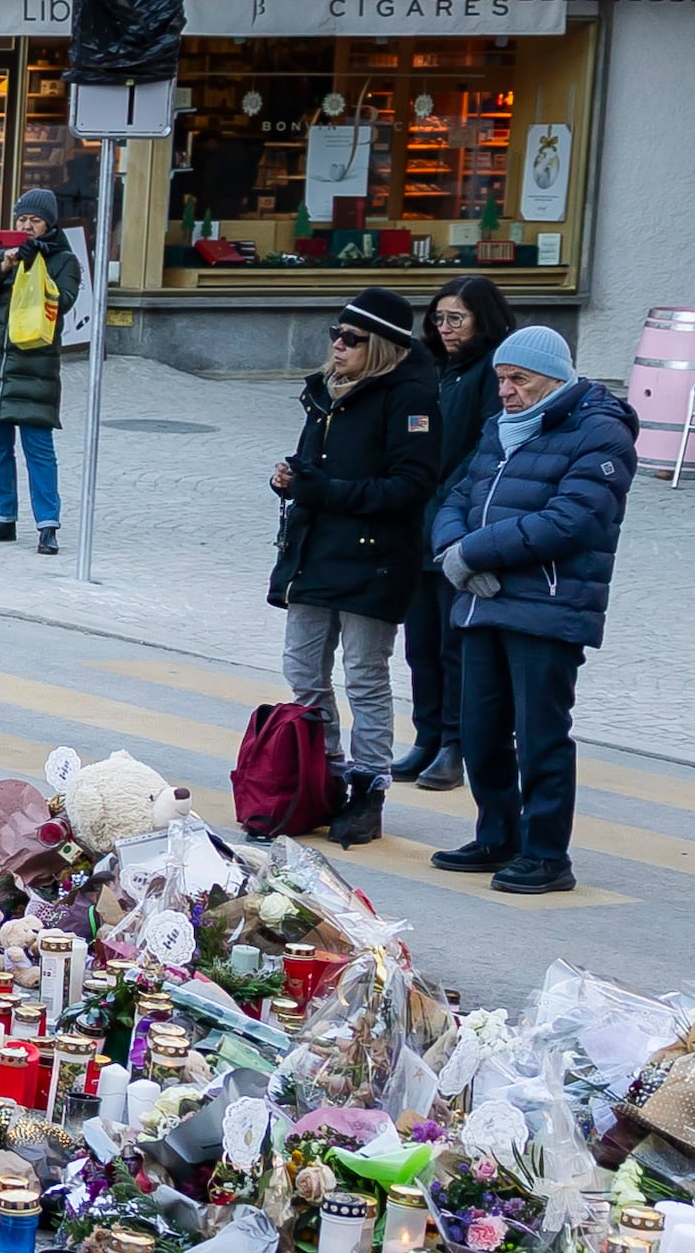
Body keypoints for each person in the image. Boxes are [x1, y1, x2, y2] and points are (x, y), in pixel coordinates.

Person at [423, 326, 631, 896]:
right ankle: (497, 835)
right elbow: (458, 497)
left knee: (540, 732)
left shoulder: (601, 433)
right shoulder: (500, 429)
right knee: (480, 729)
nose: (506, 392)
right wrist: (453, 551)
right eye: (501, 379)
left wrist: (475, 551)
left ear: (556, 380)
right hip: (483, 598)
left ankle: (546, 854)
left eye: (520, 380)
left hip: (549, 605)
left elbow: (574, 520)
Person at [267, 288, 439, 845]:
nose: (338, 346)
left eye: (352, 339)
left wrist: (323, 489)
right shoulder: (325, 392)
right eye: (334, 335)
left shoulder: (410, 398)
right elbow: (316, 469)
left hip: (375, 558)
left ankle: (369, 787)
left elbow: (410, 487)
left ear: (383, 347)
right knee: (303, 673)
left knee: (365, 677)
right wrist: (290, 480)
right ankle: (328, 774)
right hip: (315, 551)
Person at [395, 274, 514, 788]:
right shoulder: (432, 369)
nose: (444, 328)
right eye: (439, 318)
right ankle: (425, 736)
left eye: (456, 319)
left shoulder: (493, 372)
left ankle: (454, 744)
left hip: (456, 524)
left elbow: (488, 446)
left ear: (482, 319)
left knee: (454, 643)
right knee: (419, 643)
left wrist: (444, 498)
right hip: (414, 525)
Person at [0, 190, 80, 556]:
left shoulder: (63, 260)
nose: (26, 227)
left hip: (34, 368)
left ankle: (48, 525)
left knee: (39, 450)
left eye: (35, 221)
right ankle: (4, 519)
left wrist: (36, 266)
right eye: (22, 220)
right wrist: (4, 266)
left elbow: (64, 301)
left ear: (49, 224)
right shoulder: (1, 255)